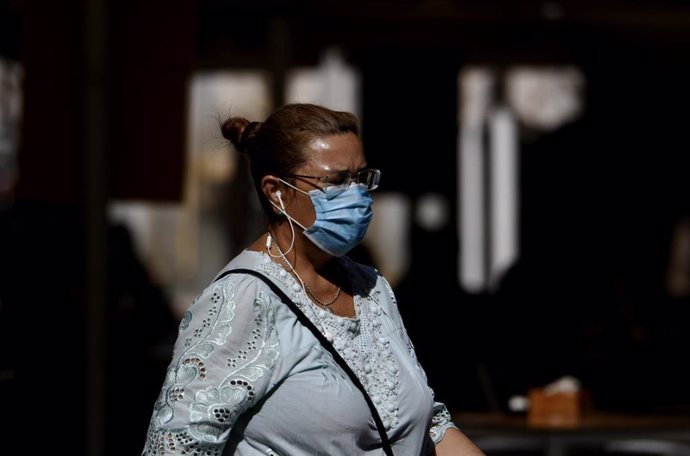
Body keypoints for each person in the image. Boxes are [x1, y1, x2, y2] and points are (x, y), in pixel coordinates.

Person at [141, 103, 485, 456]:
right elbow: (173, 446)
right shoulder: (243, 299)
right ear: (276, 192)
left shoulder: (370, 288)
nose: (357, 195)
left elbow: (427, 426)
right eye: (336, 181)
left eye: (361, 177)